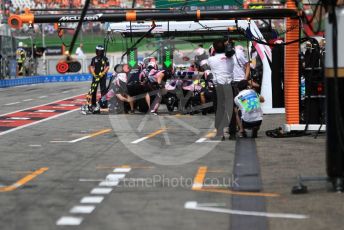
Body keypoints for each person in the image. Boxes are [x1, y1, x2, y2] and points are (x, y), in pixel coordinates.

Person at [208, 39, 235, 140]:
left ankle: (220, 133)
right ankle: (232, 134)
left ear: (214, 49)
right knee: (231, 109)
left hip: (218, 87)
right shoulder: (231, 58)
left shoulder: (211, 59)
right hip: (229, 85)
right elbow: (229, 54)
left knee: (219, 110)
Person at [231, 45, 251, 137]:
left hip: (239, 82)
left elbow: (247, 65)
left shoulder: (238, 53)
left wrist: (245, 79)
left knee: (243, 105)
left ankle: (245, 126)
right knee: (234, 108)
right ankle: (240, 128)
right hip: (230, 83)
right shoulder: (222, 55)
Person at [87, 45, 110, 113]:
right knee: (93, 90)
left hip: (102, 76)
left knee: (103, 90)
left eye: (101, 51)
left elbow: (107, 67)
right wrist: (93, 74)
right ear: (96, 51)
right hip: (95, 76)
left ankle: (104, 104)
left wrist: (103, 73)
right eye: (98, 51)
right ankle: (93, 104)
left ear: (102, 51)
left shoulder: (105, 58)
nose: (99, 52)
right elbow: (91, 67)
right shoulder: (94, 59)